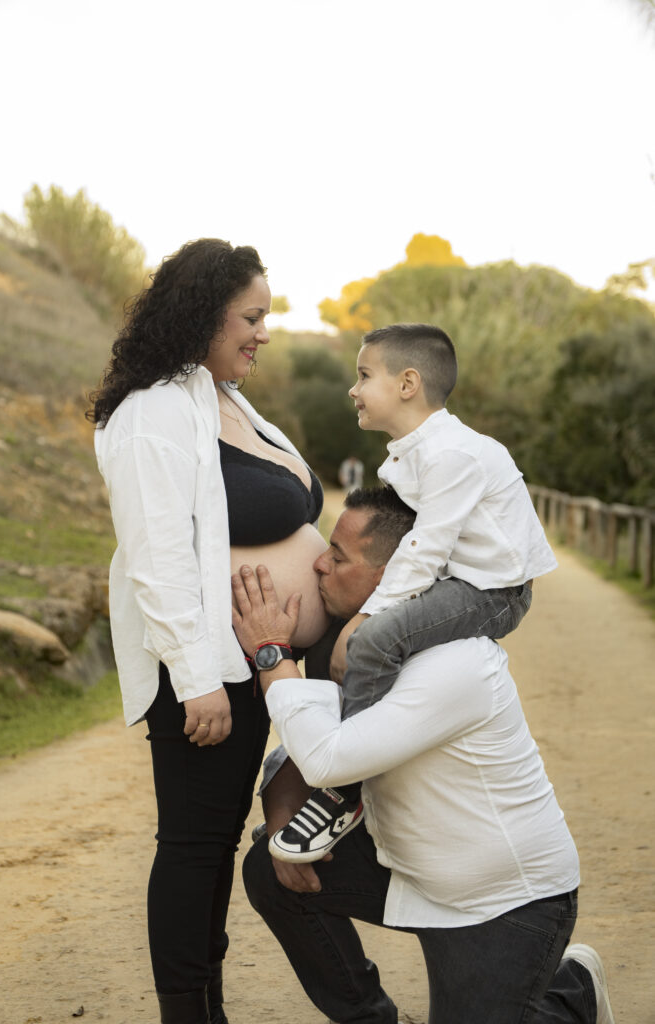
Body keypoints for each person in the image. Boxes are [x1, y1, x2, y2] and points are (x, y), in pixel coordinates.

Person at [233, 487, 616, 1024]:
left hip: (501, 903)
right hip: (409, 871)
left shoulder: (456, 664)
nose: (320, 563)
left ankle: (570, 993)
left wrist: (270, 654)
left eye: (339, 556)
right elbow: (299, 751)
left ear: (398, 577)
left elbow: (328, 758)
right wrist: (285, 830)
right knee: (269, 872)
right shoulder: (351, 647)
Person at [89, 238, 330, 1024]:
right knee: (196, 846)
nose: (263, 332)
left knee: (222, 841)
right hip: (207, 672)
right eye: (252, 317)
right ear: (204, 313)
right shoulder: (153, 412)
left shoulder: (219, 396)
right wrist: (198, 680)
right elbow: (156, 555)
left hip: (260, 662)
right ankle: (189, 1013)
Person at [270, 323, 558, 864]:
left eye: (363, 375)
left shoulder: (453, 454)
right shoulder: (407, 454)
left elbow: (426, 546)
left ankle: (345, 786)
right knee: (368, 633)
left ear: (407, 383)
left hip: (493, 591)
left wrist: (364, 619)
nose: (353, 390)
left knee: (375, 641)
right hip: (462, 580)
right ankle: (331, 752)